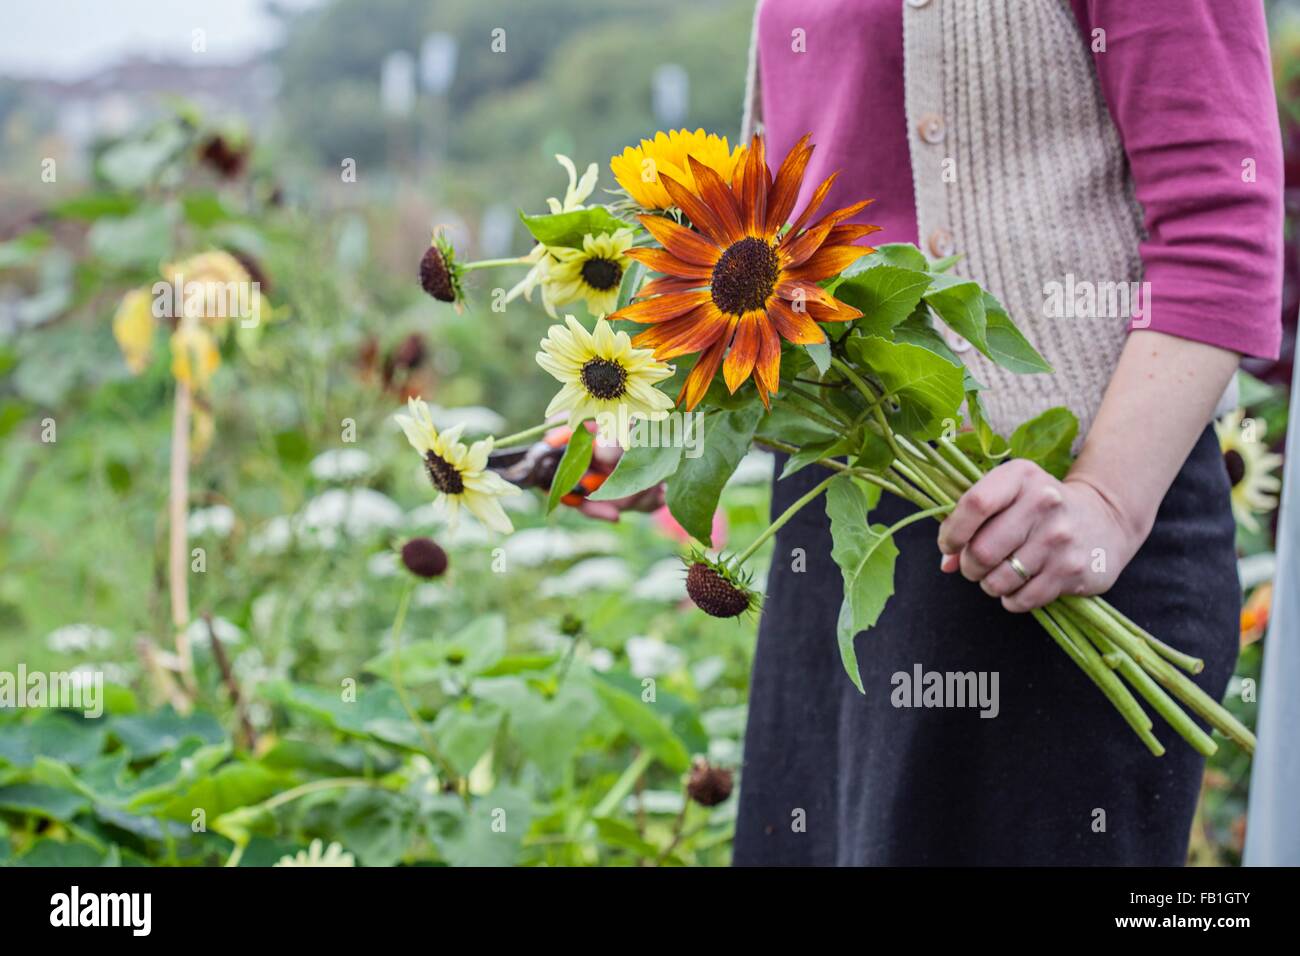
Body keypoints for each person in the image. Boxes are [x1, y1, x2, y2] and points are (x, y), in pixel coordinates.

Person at [730, 0, 1283, 865]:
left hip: (1053, 548)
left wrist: (1105, 502)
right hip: (846, 524)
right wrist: (687, 399)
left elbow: (1221, 224)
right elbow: (807, 210)